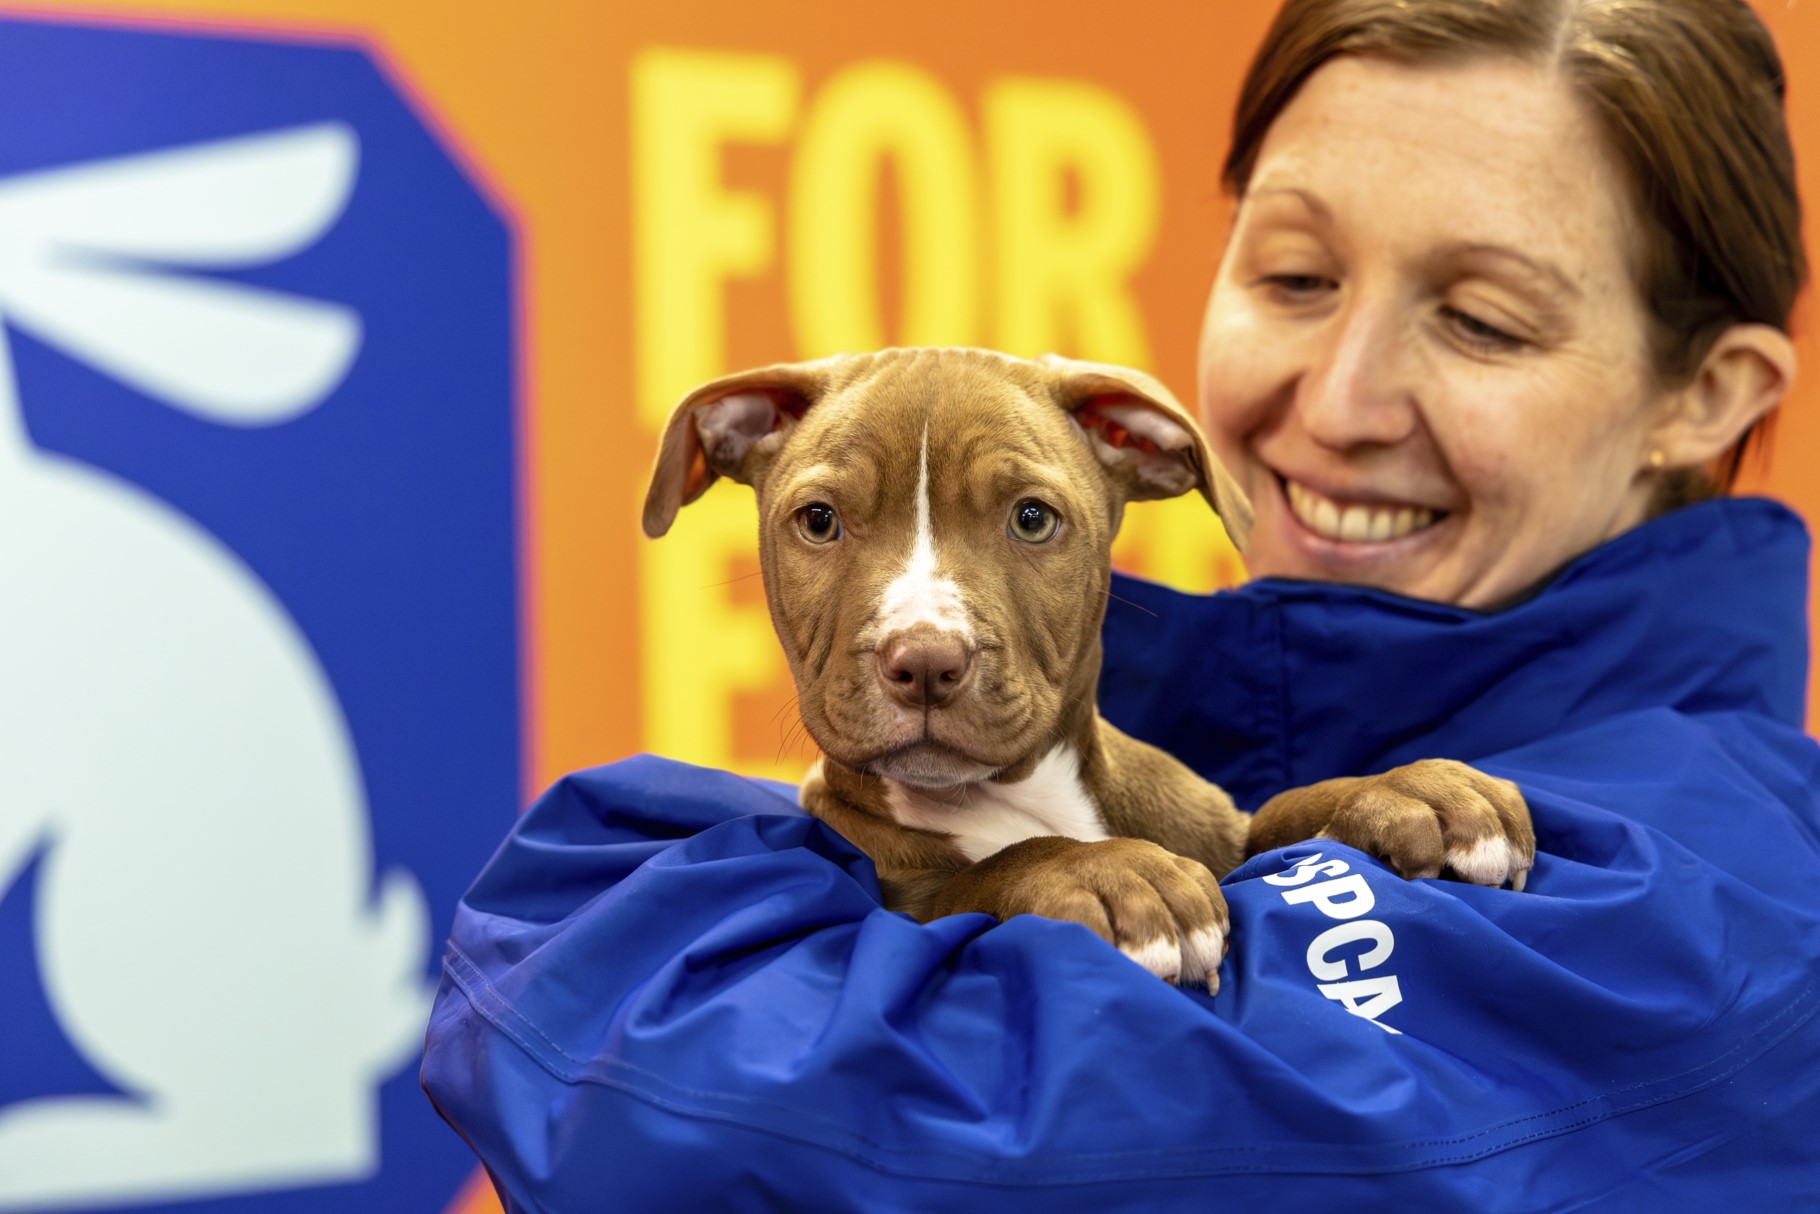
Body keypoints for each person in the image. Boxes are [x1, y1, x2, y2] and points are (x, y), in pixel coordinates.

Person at [422, 0, 1820, 1208]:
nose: (1339, 402)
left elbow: (798, 1122)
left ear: (1706, 398)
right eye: (1295, 276)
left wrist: (618, 931)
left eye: (1483, 321)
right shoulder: (1188, 723)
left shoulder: (1709, 890)